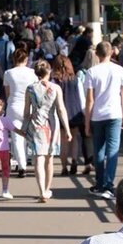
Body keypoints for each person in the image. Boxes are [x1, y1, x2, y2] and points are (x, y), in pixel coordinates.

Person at [84, 42, 123, 200]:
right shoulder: (119, 70)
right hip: (115, 114)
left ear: (97, 53)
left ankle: (100, 183)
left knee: (99, 151)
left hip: (98, 115)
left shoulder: (91, 72)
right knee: (112, 150)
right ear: (112, 53)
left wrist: (87, 122)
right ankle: (109, 186)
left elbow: (89, 100)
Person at [21, 59, 71, 203]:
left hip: (36, 124)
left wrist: (24, 127)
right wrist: (66, 129)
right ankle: (47, 189)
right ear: (48, 71)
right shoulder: (56, 88)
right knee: (49, 159)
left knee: (38, 159)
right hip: (51, 125)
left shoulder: (30, 89)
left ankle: (42, 190)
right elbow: (61, 109)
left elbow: (26, 111)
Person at [3, 47, 38, 179]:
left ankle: (22, 166)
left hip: (13, 106)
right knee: (32, 136)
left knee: (17, 138)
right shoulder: (32, 73)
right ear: (26, 59)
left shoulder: (8, 73)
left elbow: (7, 94)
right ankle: (35, 162)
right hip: (29, 107)